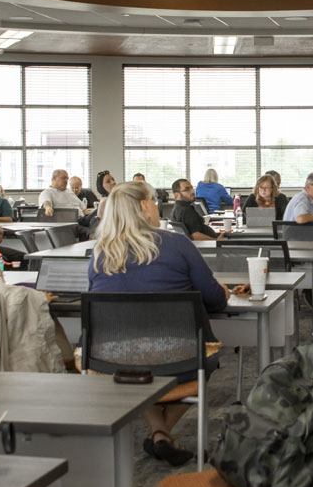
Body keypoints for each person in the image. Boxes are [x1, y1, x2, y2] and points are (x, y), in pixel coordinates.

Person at [88, 181, 240, 465]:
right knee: (203, 361)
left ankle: (159, 433)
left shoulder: (100, 253)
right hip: (179, 357)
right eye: (154, 201)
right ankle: (161, 431)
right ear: (145, 206)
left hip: (112, 360)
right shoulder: (177, 244)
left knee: (136, 363)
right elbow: (215, 300)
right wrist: (226, 290)